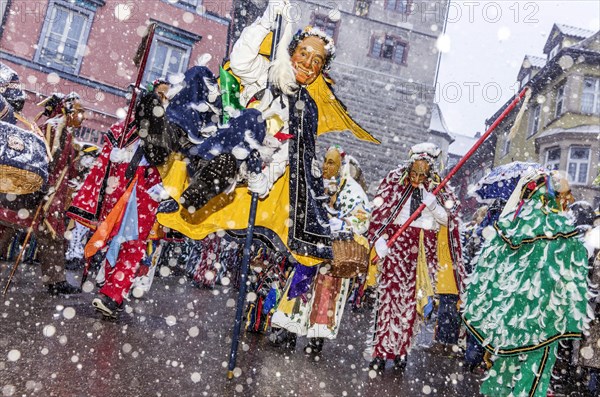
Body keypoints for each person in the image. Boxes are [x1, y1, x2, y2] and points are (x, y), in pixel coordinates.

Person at [462, 170, 592, 397]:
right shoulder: (562, 231)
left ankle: (497, 393)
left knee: (505, 362)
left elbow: (489, 271)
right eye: (565, 193)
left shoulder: (511, 227)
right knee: (537, 367)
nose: (567, 200)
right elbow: (572, 277)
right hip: (546, 318)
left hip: (512, 317)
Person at [67, 81, 167, 318]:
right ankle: (112, 294)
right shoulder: (137, 132)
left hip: (133, 197)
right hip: (130, 197)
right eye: (161, 98)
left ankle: (112, 294)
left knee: (125, 244)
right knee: (124, 244)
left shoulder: (151, 132)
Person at [366, 142, 464, 373]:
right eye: (414, 173)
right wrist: (380, 240)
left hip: (423, 248)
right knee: (389, 301)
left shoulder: (440, 188)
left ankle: (401, 352)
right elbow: (381, 212)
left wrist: (432, 204)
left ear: (429, 171)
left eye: (422, 174)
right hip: (397, 246)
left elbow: (449, 221)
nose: (417, 178)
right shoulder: (394, 181)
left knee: (413, 305)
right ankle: (380, 352)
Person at [270, 145, 371, 354]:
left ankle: (317, 339)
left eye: (331, 162)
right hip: (311, 250)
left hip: (334, 253)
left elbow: (361, 219)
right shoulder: (316, 184)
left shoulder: (352, 189)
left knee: (326, 295)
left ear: (341, 166)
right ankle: (289, 331)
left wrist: (340, 224)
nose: (325, 166)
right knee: (299, 288)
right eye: (325, 160)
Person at [0, 91, 85, 295]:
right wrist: (45, 190)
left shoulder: (65, 133)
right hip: (40, 194)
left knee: (49, 236)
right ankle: (55, 281)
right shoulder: (53, 129)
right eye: (80, 111)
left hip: (49, 195)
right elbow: (47, 163)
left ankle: (55, 281)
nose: (83, 117)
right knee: (8, 226)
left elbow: (69, 168)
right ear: (68, 110)